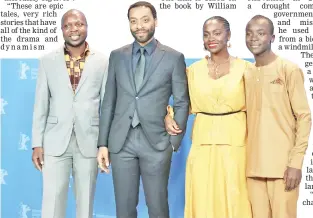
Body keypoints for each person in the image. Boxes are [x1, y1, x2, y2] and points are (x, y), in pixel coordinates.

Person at [97, 1, 190, 218]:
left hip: (157, 142)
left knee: (157, 207)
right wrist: (103, 143)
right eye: (134, 21)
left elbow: (182, 101)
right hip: (122, 142)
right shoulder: (117, 56)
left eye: (145, 20)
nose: (139, 26)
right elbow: (109, 101)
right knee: (124, 209)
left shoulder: (173, 57)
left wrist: (173, 142)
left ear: (155, 21)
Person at [165, 16, 252, 218]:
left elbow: (259, 109)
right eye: (206, 34)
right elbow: (181, 104)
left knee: (235, 195)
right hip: (203, 143)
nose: (211, 38)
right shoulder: (192, 71)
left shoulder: (246, 69)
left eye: (217, 33)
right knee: (202, 193)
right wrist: (166, 116)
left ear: (228, 35)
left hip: (236, 143)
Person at [31, 9, 109, 218]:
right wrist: (37, 143)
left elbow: (107, 105)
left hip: (89, 141)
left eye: (78, 24)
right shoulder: (47, 61)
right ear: (62, 30)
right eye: (68, 25)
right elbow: (40, 105)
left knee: (85, 205)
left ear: (86, 27)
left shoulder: (103, 61)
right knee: (52, 204)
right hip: (55, 141)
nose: (74, 29)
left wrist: (104, 144)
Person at [244, 15, 311, 218]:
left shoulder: (288, 69)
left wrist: (296, 163)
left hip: (283, 168)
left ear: (272, 37)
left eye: (261, 33)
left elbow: (304, 117)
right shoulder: (246, 73)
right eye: (249, 33)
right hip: (253, 168)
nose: (253, 38)